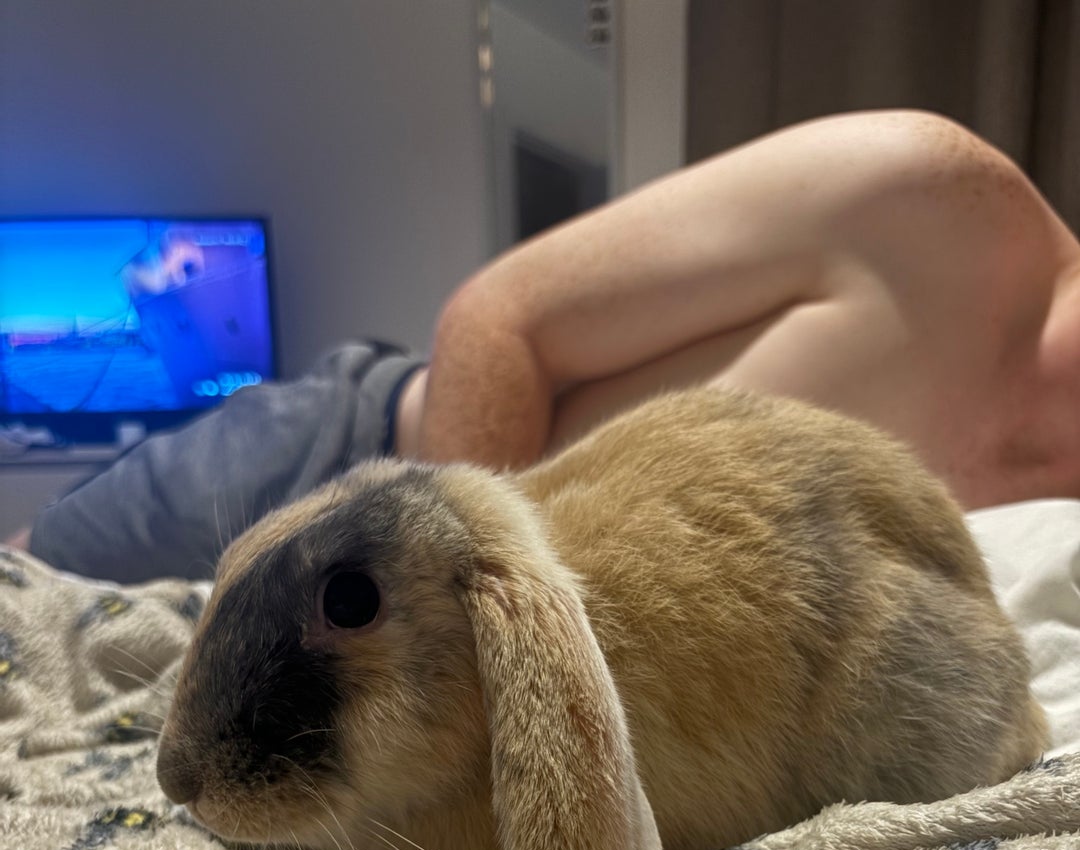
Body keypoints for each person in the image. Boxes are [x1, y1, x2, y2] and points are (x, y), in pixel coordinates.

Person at [12, 108, 1080, 581]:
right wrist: (469, 628)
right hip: (340, 456)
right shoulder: (939, 204)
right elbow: (500, 318)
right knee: (32, 577)